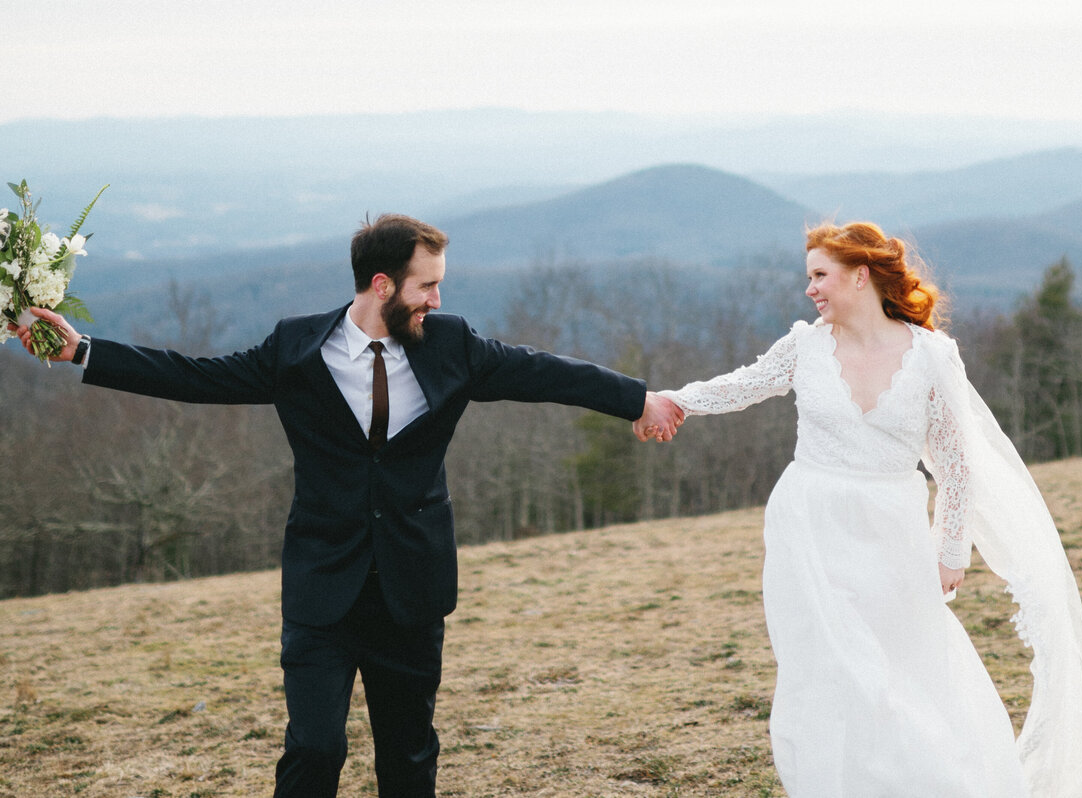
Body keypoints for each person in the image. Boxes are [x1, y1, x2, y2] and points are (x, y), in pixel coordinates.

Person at [11, 213, 684, 798]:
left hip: (411, 588)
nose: (437, 297)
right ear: (382, 285)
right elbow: (197, 378)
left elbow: (548, 372)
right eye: (426, 285)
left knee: (409, 759)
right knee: (315, 750)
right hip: (321, 589)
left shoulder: (454, 346)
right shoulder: (296, 349)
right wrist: (83, 351)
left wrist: (639, 398)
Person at [635, 222, 1082, 797]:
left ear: (860, 276)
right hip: (810, 526)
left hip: (893, 529)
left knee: (910, 662)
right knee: (831, 666)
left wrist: (951, 548)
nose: (810, 289)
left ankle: (938, 779)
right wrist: (673, 401)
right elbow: (743, 385)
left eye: (820, 275)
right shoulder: (805, 346)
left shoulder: (932, 357)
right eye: (809, 277)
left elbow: (955, 464)